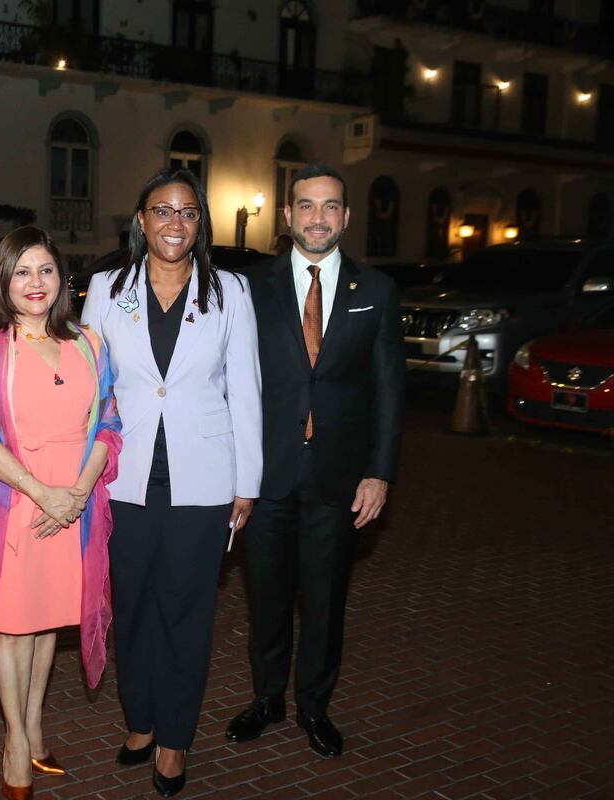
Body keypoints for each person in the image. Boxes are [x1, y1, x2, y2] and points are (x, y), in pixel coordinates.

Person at [81, 168, 262, 798]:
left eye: (187, 212)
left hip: (203, 480)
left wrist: (249, 479)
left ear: (200, 224)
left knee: (186, 610)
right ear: (141, 220)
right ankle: (140, 720)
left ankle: (175, 738)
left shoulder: (230, 291)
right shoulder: (108, 287)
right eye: (162, 211)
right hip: (123, 476)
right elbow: (91, 384)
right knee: (130, 604)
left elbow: (245, 387)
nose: (175, 224)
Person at [224, 164, 403, 759]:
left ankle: (314, 708)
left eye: (330, 207)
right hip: (266, 473)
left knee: (324, 603)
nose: (318, 217)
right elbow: (230, 381)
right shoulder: (250, 286)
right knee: (267, 598)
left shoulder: (374, 291)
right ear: (288, 215)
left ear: (346, 217)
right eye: (306, 205)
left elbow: (388, 390)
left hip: (339, 476)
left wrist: (379, 472)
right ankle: (267, 700)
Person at [0, 226, 122, 800]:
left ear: (61, 279)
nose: (35, 283)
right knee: (12, 627)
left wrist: (77, 491)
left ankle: (38, 722)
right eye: (22, 271)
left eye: (45, 270)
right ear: (4, 280)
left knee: (49, 623)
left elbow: (110, 423)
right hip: (14, 504)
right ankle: (15, 741)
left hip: (76, 505)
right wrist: (43, 493)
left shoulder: (90, 344)